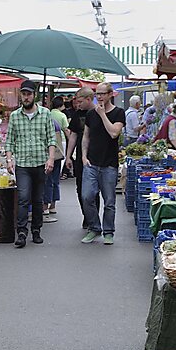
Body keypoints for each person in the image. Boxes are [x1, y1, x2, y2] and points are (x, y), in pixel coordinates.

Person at [5, 80, 57, 248]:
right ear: (20, 95)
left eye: (29, 94)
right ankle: (21, 232)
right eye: (23, 94)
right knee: (23, 198)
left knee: (38, 199)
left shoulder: (45, 114)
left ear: (35, 95)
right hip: (22, 164)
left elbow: (51, 138)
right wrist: (9, 159)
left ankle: (36, 230)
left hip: (41, 162)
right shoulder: (14, 116)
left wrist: (50, 159)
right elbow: (9, 141)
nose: (26, 97)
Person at [81, 82, 126, 245]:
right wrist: (83, 157)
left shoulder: (119, 113)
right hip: (91, 163)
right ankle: (94, 227)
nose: (98, 96)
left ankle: (108, 231)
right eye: (96, 94)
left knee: (109, 201)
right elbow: (86, 136)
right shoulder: (91, 114)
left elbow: (114, 133)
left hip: (109, 164)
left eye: (102, 93)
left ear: (110, 94)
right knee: (86, 196)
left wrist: (102, 115)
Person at [66, 88, 95, 230]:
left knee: (93, 190)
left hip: (95, 157)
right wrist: (68, 156)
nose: (78, 105)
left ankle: (93, 219)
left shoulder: (98, 113)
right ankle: (87, 215)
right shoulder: (77, 115)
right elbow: (73, 135)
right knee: (80, 188)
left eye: (80, 102)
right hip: (79, 158)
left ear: (89, 99)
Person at [43, 96, 69, 222]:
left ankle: (45, 206)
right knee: (55, 179)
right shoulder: (58, 121)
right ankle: (53, 205)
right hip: (59, 152)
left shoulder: (45, 123)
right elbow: (66, 130)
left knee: (47, 180)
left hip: (48, 154)